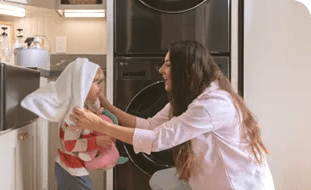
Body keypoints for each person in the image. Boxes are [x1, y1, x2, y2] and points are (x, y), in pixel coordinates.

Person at [69, 41, 275, 190]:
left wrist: (99, 125)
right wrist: (106, 107)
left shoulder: (211, 105)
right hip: (210, 182)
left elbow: (157, 139)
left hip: (237, 186)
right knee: (160, 179)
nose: (161, 70)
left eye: (168, 64)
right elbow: (149, 126)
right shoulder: (187, 100)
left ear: (187, 69)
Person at [21, 58, 120, 190]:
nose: (100, 88)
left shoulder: (84, 109)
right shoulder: (74, 116)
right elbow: (69, 145)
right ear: (82, 85)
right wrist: (96, 141)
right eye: (96, 83)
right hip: (69, 168)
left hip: (71, 167)